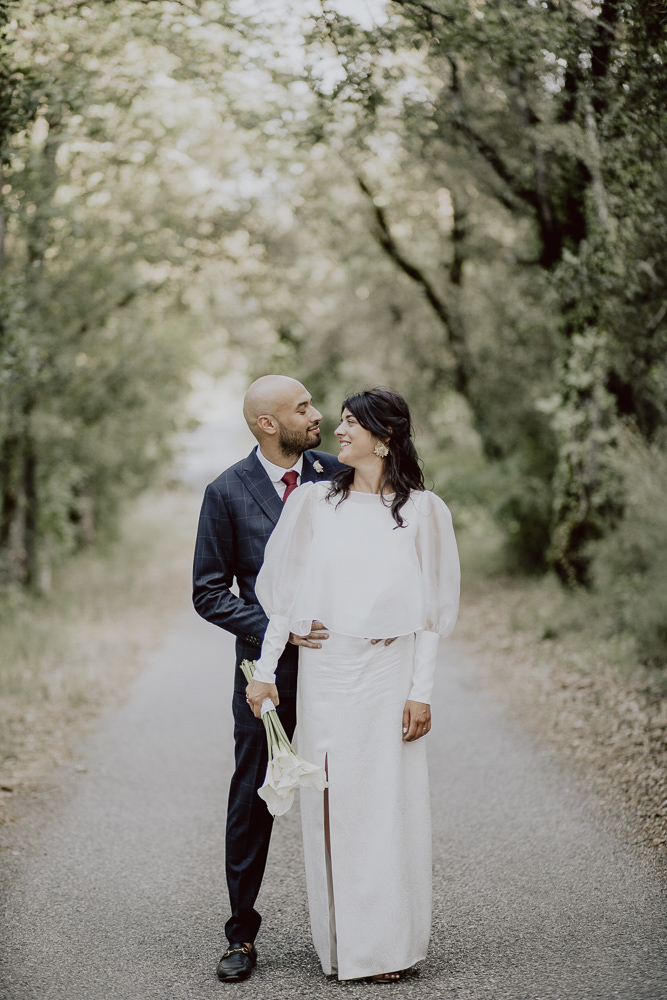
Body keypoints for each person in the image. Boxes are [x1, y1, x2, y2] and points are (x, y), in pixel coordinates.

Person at [247, 387, 460, 982]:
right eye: (337, 421)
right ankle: (344, 947)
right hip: (328, 671)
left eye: (350, 424)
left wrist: (422, 691)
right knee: (333, 803)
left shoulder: (425, 511)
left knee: (386, 806)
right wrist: (265, 674)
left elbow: (432, 614)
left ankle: (388, 948)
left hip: (391, 674)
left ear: (384, 438)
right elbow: (282, 601)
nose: (339, 432)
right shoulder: (313, 504)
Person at [192, 375, 340, 983]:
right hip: (264, 670)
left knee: (345, 786)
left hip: (342, 666)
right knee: (254, 794)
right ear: (266, 424)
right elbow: (208, 593)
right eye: (302, 407)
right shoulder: (226, 491)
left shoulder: (338, 475)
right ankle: (240, 934)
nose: (317, 414)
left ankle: (352, 925)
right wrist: (282, 629)